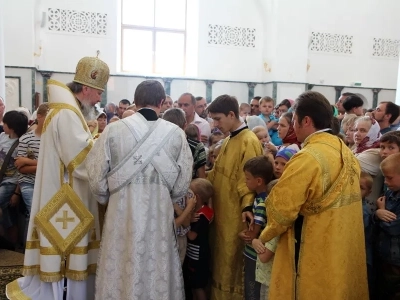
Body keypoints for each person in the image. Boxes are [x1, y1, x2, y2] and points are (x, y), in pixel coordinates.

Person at [6, 55, 110, 300]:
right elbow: (80, 160)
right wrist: (104, 144)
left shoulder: (67, 111)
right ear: (86, 88)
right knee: (68, 248)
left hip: (63, 192)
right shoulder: (66, 114)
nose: (99, 98)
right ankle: (66, 293)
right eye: (98, 92)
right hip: (68, 197)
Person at [251, 91, 368, 299]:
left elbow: (281, 211)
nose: (293, 126)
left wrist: (263, 236)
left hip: (311, 246)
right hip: (341, 247)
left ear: (306, 120)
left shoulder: (307, 158)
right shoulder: (345, 151)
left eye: (294, 120)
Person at [86, 80, 193, 300]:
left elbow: (96, 180)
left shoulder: (113, 131)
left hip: (121, 215)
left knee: (121, 265)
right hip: (160, 216)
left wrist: (110, 197)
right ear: (163, 103)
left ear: (135, 101)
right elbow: (182, 185)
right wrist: (164, 195)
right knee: (157, 267)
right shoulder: (176, 134)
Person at [207, 94, 263, 300]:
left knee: (232, 263)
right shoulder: (230, 138)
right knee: (221, 261)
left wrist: (247, 208)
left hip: (237, 217)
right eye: (213, 119)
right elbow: (216, 173)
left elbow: (250, 181)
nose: (215, 124)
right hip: (222, 213)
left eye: (218, 118)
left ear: (232, 114)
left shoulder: (248, 141)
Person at [238, 156, 273, 300]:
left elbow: (252, 235)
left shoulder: (261, 203)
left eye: (247, 178)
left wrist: (242, 234)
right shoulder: (260, 198)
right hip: (255, 253)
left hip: (255, 254)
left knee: (252, 289)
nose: (245, 182)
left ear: (258, 181)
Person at [14, 103, 49, 244]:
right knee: (34, 213)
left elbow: (57, 165)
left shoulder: (53, 140)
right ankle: (29, 249)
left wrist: (29, 162)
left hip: (47, 182)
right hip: (28, 182)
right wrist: (46, 164)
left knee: (41, 215)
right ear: (39, 117)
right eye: (49, 117)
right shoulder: (26, 139)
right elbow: (20, 167)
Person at [0, 111, 28, 245]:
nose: (2, 125)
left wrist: (17, 192)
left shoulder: (22, 143)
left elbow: (22, 171)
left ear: (11, 127)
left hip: (11, 182)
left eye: (4, 123)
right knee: (7, 216)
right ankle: (11, 245)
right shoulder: (2, 137)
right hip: (1, 179)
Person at [183, 178, 214, 300]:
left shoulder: (202, 216)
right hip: (194, 255)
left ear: (196, 197)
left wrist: (184, 223)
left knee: (198, 287)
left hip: (199, 257)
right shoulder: (204, 211)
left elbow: (191, 235)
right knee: (194, 286)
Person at [375, 153, 400, 299]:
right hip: (385, 254)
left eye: (389, 178)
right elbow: (380, 217)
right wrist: (378, 213)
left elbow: (394, 227)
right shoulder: (390, 192)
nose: (385, 182)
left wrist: (381, 212)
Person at [252, 179, 279, 300]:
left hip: (271, 281)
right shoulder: (271, 223)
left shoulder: (276, 229)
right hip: (267, 279)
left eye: (270, 199)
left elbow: (264, 257)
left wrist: (254, 241)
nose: (266, 202)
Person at [359, 171, 374, 299]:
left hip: (363, 258)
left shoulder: (363, 212)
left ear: (368, 193)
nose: (356, 191)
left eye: (361, 188)